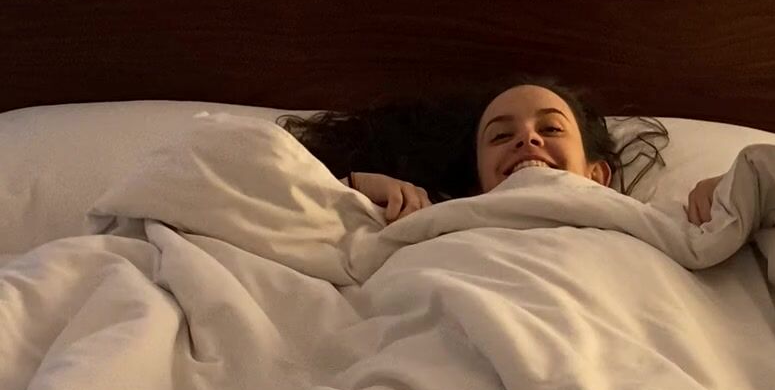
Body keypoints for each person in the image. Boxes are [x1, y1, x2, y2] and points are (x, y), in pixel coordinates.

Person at [278, 73, 724, 228]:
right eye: (499, 136)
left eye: (550, 128)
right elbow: (262, 190)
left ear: (597, 175)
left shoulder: (645, 225)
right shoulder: (433, 224)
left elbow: (768, 186)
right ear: (478, 182)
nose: (527, 140)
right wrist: (350, 189)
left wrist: (728, 193)